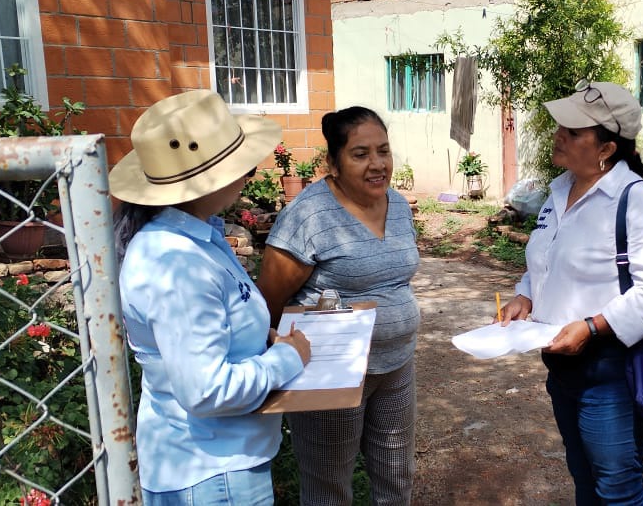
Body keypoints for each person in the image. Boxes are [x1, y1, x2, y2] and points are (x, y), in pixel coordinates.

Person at [110, 89, 312, 504]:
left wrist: (262, 339)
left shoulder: (196, 238)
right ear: (211, 181)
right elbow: (207, 390)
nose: (248, 175)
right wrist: (288, 358)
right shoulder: (176, 263)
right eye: (244, 167)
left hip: (218, 464)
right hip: (211, 474)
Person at [497, 81, 643, 505]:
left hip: (609, 371)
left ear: (607, 148)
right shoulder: (558, 192)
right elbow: (543, 265)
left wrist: (592, 327)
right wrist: (526, 296)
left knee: (616, 489)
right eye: (561, 125)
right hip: (561, 365)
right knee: (583, 476)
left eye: (574, 131)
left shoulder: (640, 204)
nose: (559, 134)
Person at [256, 106, 421, 506]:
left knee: (397, 477)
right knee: (329, 486)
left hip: (396, 365)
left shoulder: (396, 205)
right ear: (333, 162)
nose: (377, 164)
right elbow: (269, 301)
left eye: (383, 151)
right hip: (330, 372)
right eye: (360, 154)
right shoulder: (309, 215)